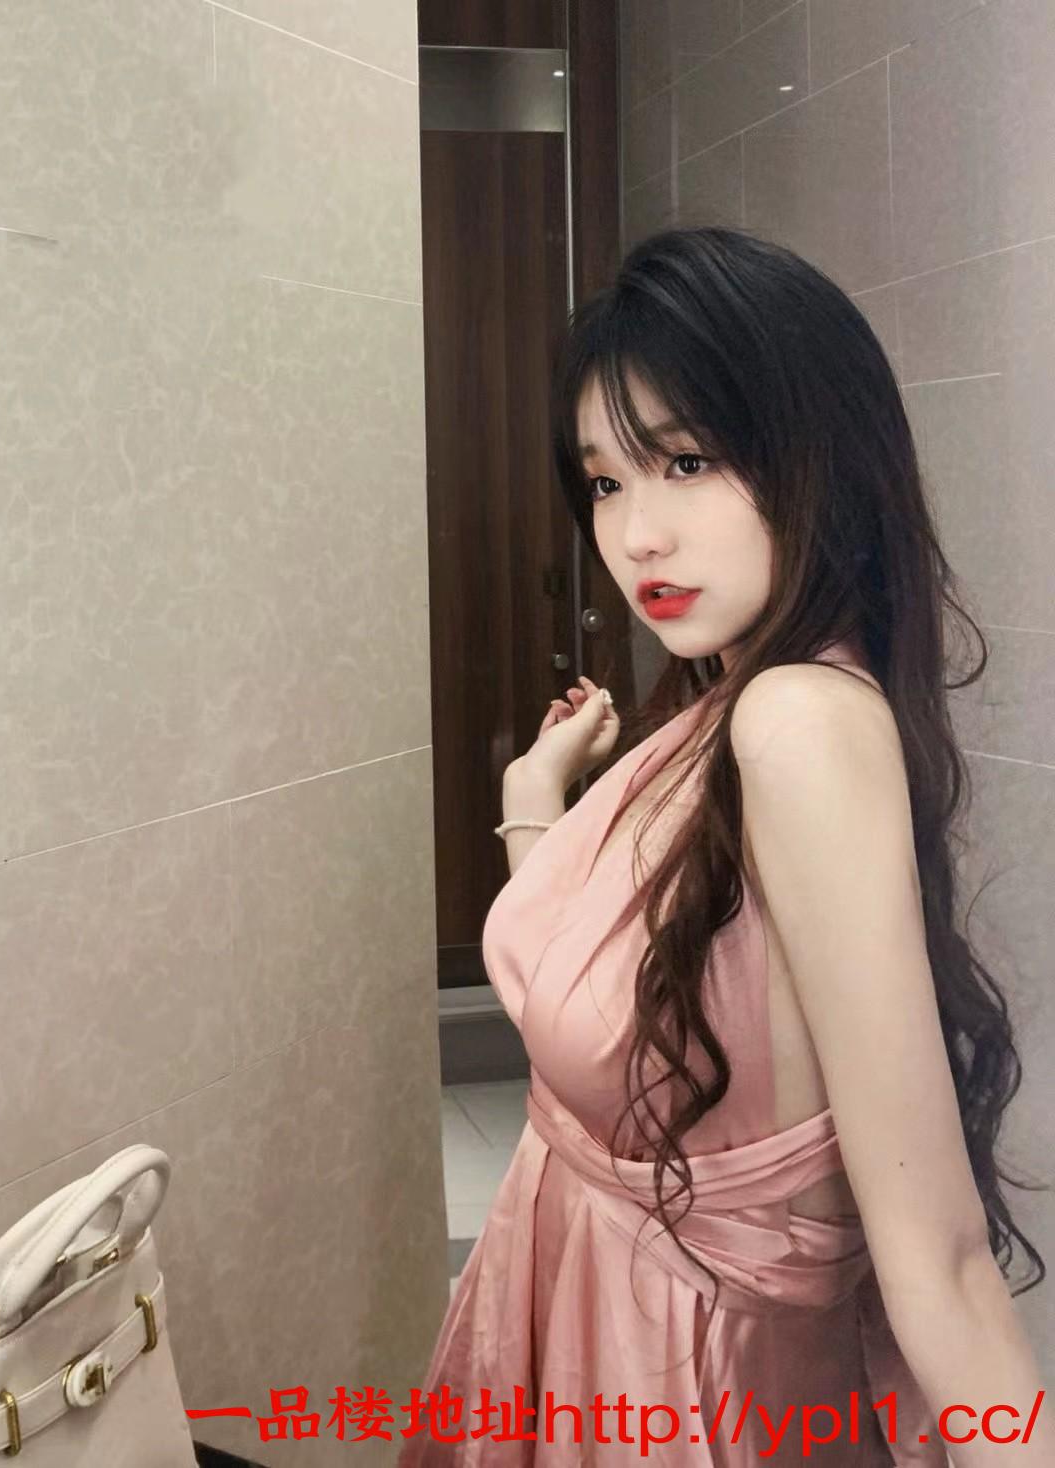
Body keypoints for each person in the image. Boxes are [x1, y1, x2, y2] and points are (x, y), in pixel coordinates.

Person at [397, 226, 1052, 1466]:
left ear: (817, 454)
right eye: (605, 483)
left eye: (687, 461)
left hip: (690, 1395)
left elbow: (945, 1263)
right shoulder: (723, 709)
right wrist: (535, 793)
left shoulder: (795, 721)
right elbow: (619, 995)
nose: (635, 535)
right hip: (599, 1347)